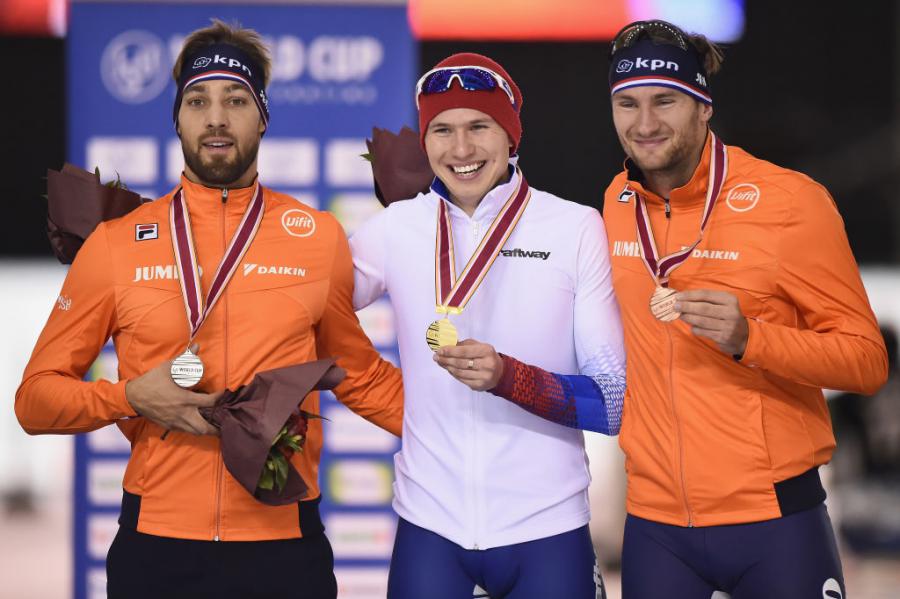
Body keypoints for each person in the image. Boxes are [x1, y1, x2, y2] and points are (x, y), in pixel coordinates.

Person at [15, 20, 403, 599]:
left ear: (263, 117)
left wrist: (470, 427)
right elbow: (35, 399)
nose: (216, 117)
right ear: (177, 119)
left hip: (284, 542)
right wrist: (127, 398)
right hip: (156, 547)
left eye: (236, 100)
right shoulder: (117, 245)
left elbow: (360, 374)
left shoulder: (317, 238)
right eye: (197, 100)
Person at [599, 19, 888, 598]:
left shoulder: (791, 202)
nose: (646, 122)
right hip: (657, 527)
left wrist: (751, 339)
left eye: (666, 101)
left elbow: (866, 361)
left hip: (774, 520)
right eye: (627, 104)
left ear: (704, 106)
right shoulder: (617, 202)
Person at [350, 52, 625, 599]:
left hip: (547, 528)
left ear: (511, 136)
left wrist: (508, 376)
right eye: (443, 130)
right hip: (430, 526)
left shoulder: (573, 227)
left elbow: (611, 402)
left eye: (480, 126)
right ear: (425, 141)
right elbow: (306, 316)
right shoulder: (394, 229)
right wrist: (381, 392)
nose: (461, 149)